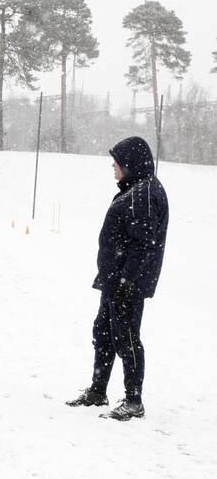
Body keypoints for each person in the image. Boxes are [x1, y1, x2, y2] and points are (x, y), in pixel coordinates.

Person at [66, 136, 169, 420]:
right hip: (115, 279)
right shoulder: (135, 189)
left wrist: (127, 282)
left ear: (131, 164)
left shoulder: (144, 195)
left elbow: (143, 245)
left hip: (127, 284)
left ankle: (134, 401)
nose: (113, 165)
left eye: (118, 161)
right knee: (103, 332)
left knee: (126, 338)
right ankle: (98, 391)